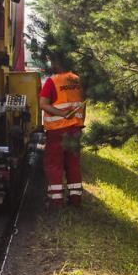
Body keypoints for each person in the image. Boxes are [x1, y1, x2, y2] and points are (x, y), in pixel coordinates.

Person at [38, 54, 86, 208]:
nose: (51, 64)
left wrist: (61, 114)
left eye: (52, 61)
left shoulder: (52, 81)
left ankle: (56, 201)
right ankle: (75, 200)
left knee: (54, 164)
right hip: (75, 129)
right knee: (73, 164)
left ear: (57, 63)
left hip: (57, 131)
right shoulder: (78, 80)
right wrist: (79, 123)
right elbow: (83, 104)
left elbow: (43, 104)